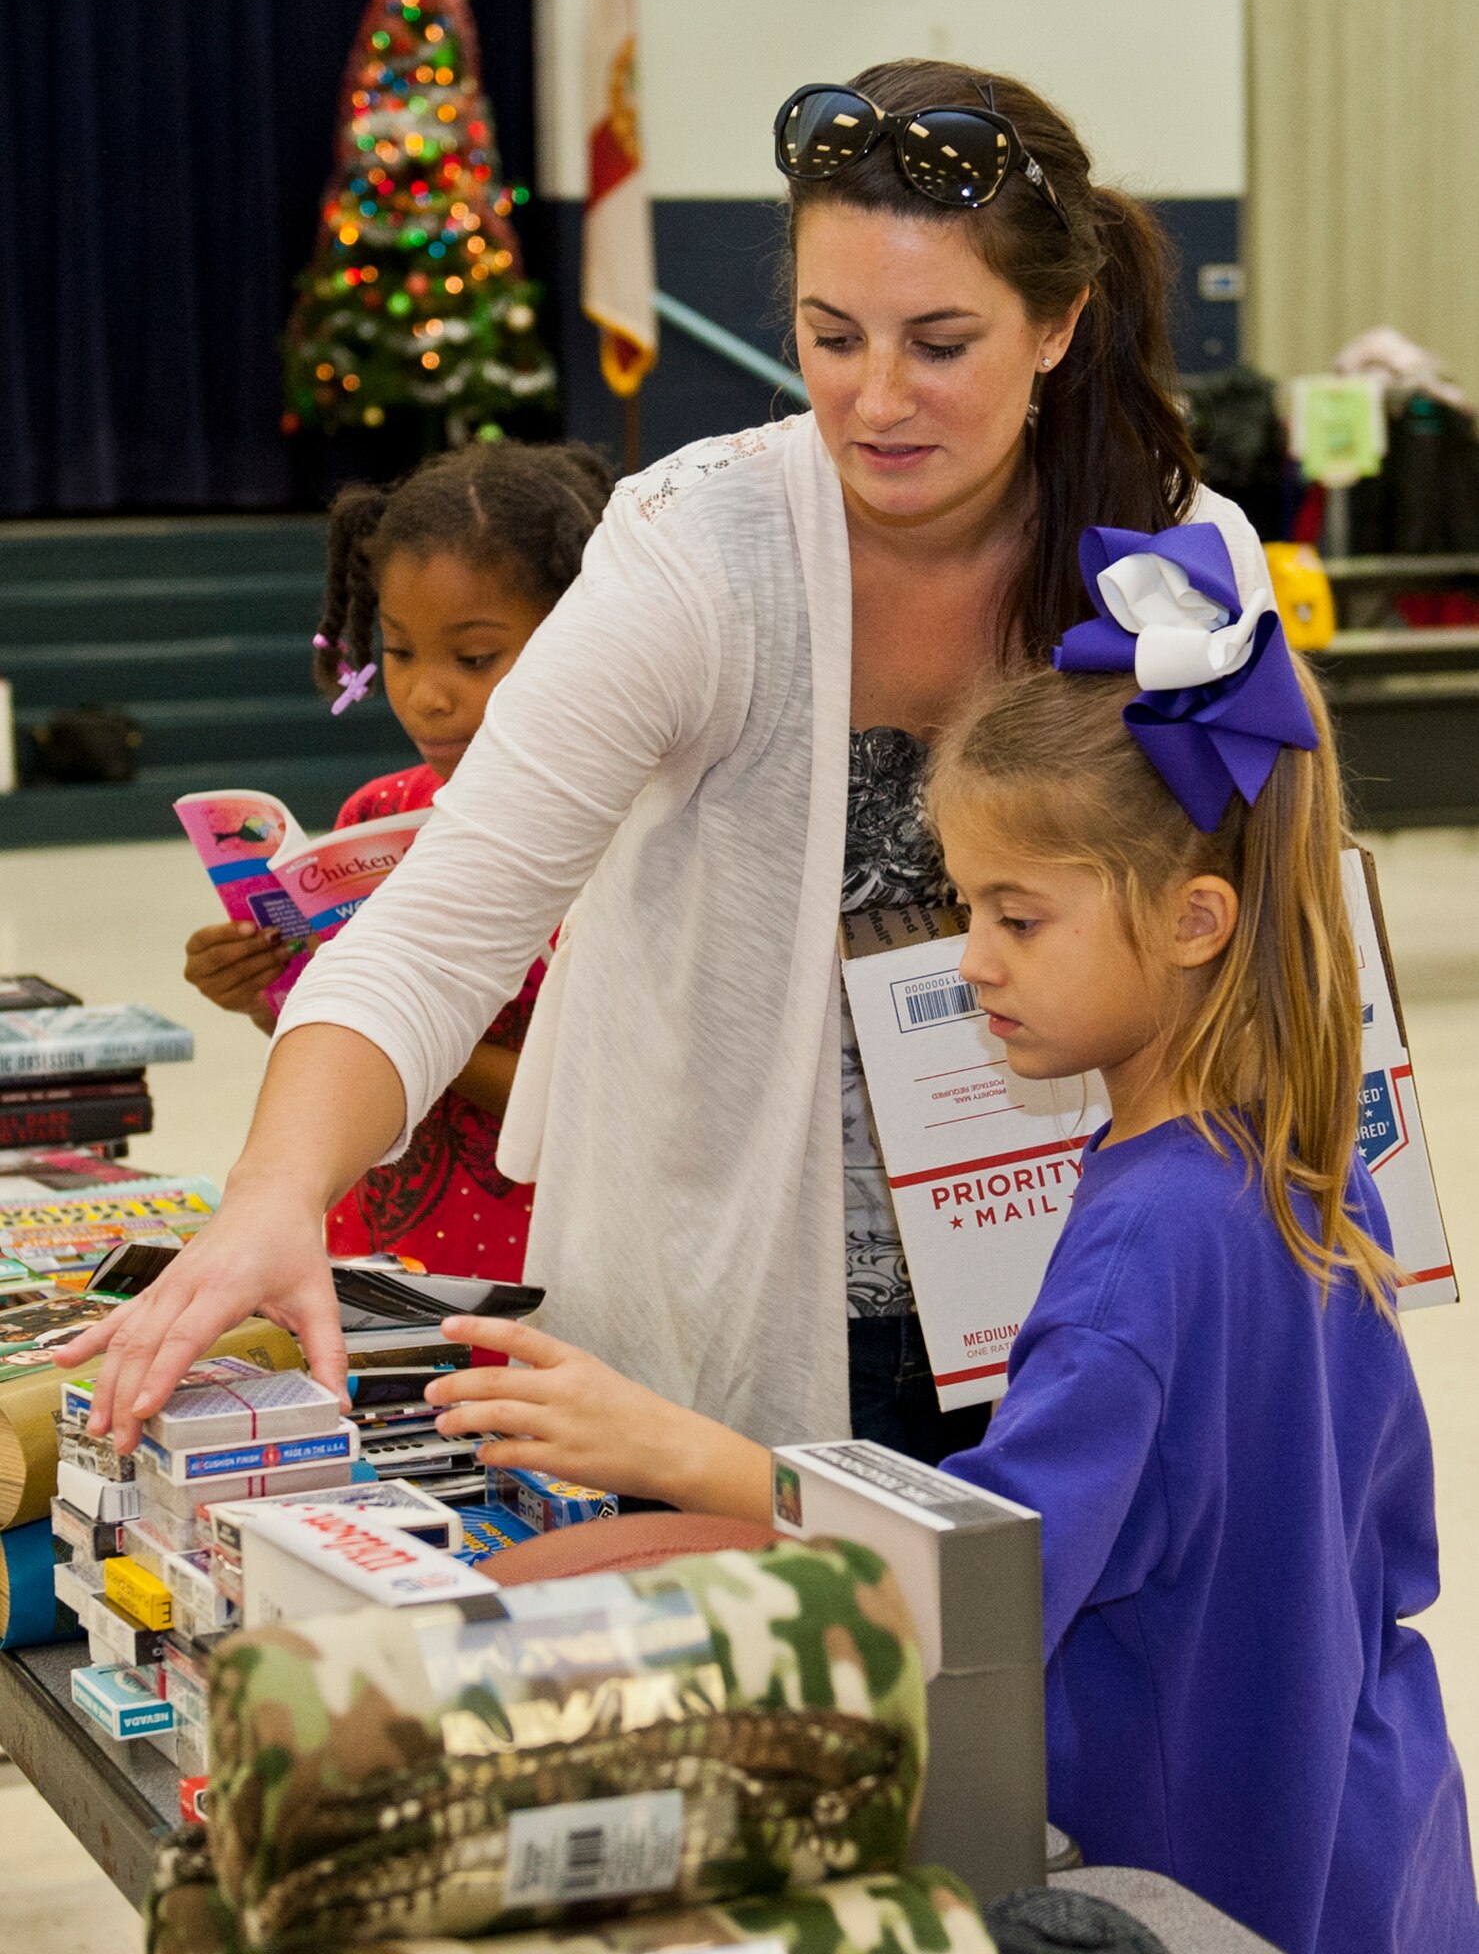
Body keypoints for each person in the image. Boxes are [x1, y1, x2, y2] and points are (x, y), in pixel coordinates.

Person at [66, 61, 1272, 1454]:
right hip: (716, 1304)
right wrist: (271, 1193)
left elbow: (1262, 937)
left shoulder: (1174, 557)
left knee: (1043, 1661)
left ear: (1056, 322)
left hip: (1081, 1291)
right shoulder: (699, 548)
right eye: (830, 337)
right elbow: (440, 927)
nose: (874, 401)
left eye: (938, 342)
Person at [414, 524, 1479, 1954]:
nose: (966, 958)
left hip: (1192, 1870)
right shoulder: (1295, 1164)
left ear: (1191, 919)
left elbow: (979, 1578)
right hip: (1370, 1823)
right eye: (970, 907)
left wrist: (666, 1448)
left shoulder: (1138, 1253)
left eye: (1015, 917)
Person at [179, 438, 613, 1279]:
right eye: (402, 650)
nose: (425, 693)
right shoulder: (377, 814)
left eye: (475, 656)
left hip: (543, 1268)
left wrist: (414, 1029)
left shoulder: (622, 839)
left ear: (581, 634)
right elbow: (341, 1075)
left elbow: (592, 1111)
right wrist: (269, 996)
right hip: (382, 1248)